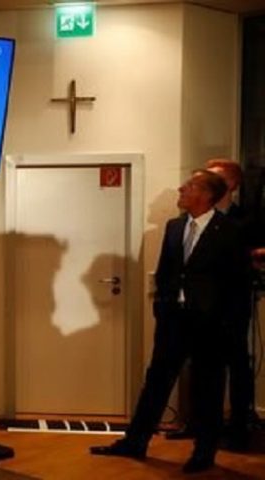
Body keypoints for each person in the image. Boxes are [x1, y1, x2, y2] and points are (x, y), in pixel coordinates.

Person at [90, 170, 249, 473]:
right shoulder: (174, 227)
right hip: (174, 320)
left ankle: (203, 453)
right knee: (156, 382)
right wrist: (162, 306)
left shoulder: (230, 231)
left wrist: (228, 324)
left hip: (210, 325)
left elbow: (238, 283)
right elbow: (166, 271)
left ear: (205, 195)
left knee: (208, 388)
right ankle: (135, 442)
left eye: (189, 186)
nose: (181, 189)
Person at [206, 158, 257, 450]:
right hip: (200, 305)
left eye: (215, 177)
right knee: (202, 365)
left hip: (233, 304)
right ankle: (201, 426)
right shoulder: (197, 217)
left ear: (232, 184)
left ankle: (238, 429)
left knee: (237, 364)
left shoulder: (246, 219)